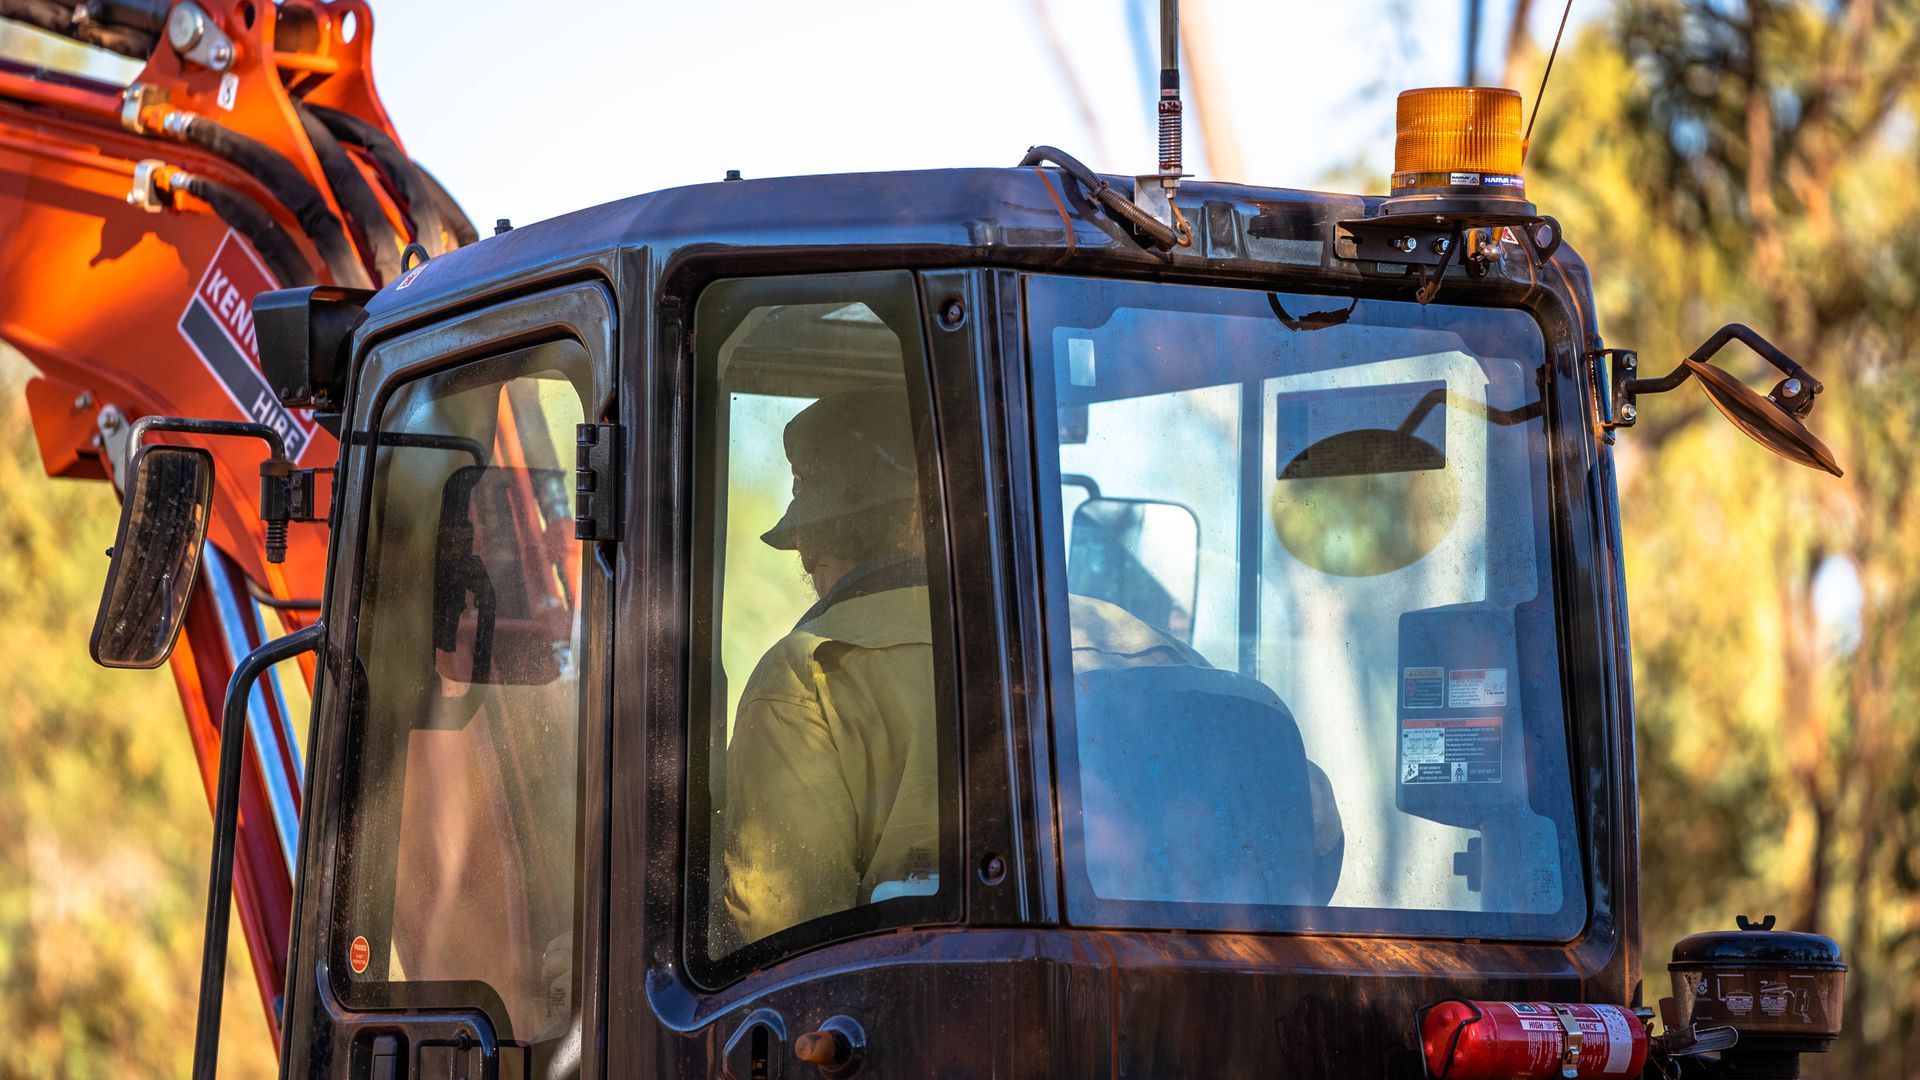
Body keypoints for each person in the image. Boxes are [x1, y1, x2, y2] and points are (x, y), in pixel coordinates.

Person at [718, 387, 1345, 949]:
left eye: (807, 552)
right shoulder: (1139, 640)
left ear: (819, 543)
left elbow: (788, 945)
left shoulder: (807, 679)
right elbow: (1306, 834)